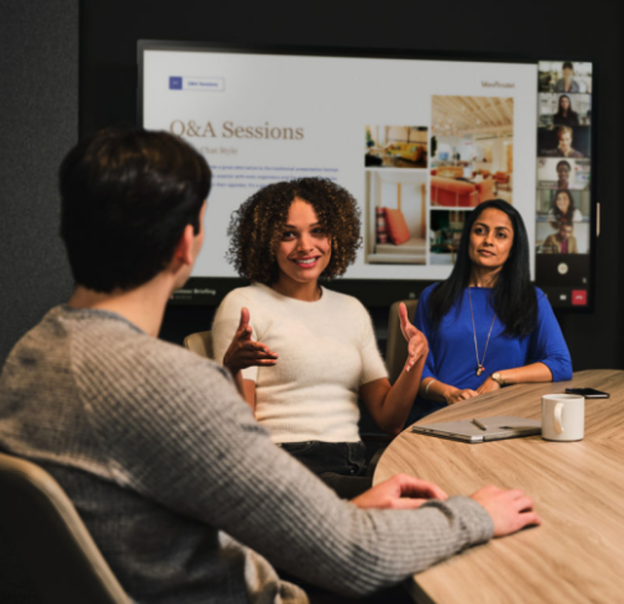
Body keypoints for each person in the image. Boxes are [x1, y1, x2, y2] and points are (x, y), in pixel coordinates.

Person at [0, 128, 539, 603]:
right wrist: (476, 514)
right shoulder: (175, 386)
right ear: (187, 244)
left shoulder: (29, 357)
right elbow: (353, 558)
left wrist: (341, 516)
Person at [212, 178, 421, 498]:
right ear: (265, 242)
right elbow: (239, 436)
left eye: (318, 231)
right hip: (283, 468)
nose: (306, 246)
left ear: (336, 236)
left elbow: (389, 419)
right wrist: (232, 369)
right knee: (422, 499)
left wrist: (415, 361)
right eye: (287, 234)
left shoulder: (350, 309)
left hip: (350, 465)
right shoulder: (245, 305)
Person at [409, 199, 572, 421]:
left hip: (504, 419)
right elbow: (418, 374)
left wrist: (499, 377)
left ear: (514, 247)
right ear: (468, 237)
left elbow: (561, 365)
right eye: (480, 231)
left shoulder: (532, 299)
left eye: (500, 235)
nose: (488, 241)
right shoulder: (433, 297)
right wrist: (449, 393)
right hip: (440, 417)